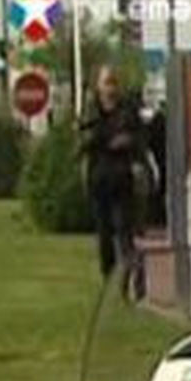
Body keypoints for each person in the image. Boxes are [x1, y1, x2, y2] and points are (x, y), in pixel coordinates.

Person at [82, 65, 145, 279]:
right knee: (103, 230)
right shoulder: (91, 111)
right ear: (98, 86)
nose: (110, 87)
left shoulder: (128, 110)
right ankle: (107, 272)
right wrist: (107, 139)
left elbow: (136, 139)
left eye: (113, 82)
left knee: (123, 225)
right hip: (99, 177)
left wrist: (126, 143)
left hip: (121, 177)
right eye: (106, 82)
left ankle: (130, 270)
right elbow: (85, 139)